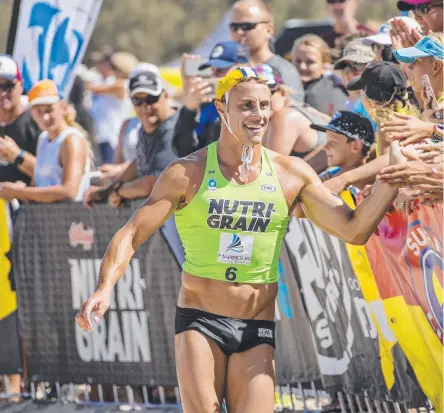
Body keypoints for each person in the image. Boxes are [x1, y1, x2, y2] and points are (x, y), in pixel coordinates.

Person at [76, 67, 405, 413]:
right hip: (200, 321)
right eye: (246, 105)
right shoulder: (188, 172)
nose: (258, 115)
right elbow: (131, 234)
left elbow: (354, 230)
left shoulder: (291, 174)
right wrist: (104, 287)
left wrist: (391, 178)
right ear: (222, 109)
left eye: (264, 106)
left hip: (257, 324)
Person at [84, 66, 178, 207]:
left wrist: (119, 191)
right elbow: (138, 163)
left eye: (151, 98)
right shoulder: (146, 128)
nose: (145, 106)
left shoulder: (173, 128)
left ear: (165, 96)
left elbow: (152, 183)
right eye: (138, 101)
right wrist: (105, 192)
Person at [0, 80, 91, 203]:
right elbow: (43, 184)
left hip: (70, 218)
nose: (45, 117)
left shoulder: (71, 140)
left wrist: (19, 192)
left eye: (49, 110)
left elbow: (69, 191)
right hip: (46, 217)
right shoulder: (43, 139)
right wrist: (21, 190)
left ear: (63, 108)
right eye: (38, 111)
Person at [173, 41, 250, 157]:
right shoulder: (209, 105)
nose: (215, 76)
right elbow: (184, 151)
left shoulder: (256, 104)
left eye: (221, 69)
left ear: (243, 69)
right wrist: (190, 109)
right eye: (212, 70)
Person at [257, 63, 329, 173]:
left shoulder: (285, 117)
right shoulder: (303, 108)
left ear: (282, 92)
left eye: (267, 93)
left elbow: (270, 172)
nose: (261, 101)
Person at [229, 0, 305, 101]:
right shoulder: (223, 69)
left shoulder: (283, 70)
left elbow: (293, 112)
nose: (239, 32)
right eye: (234, 27)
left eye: (246, 26)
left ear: (269, 30)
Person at [347, 61, 421, 156]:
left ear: (371, 101)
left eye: (362, 91)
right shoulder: (410, 114)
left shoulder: (385, 127)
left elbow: (387, 164)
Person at [87, 52, 138, 164]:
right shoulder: (106, 82)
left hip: (114, 138)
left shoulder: (123, 84)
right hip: (103, 137)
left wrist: (86, 85)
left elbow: (99, 88)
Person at [0, 54, 41, 187]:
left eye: (8, 86)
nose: (2, 93)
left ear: (21, 86)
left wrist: (18, 156)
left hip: (30, 206)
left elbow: (55, 175)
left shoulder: (38, 121)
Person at [291, 34, 348, 115]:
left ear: (324, 64)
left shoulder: (326, 92)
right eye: (298, 61)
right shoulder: (290, 86)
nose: (302, 67)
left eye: (310, 62)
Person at [312, 110, 374, 177]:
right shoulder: (329, 175)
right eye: (327, 141)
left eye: (332, 142)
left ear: (356, 146)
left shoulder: (360, 185)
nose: (325, 147)